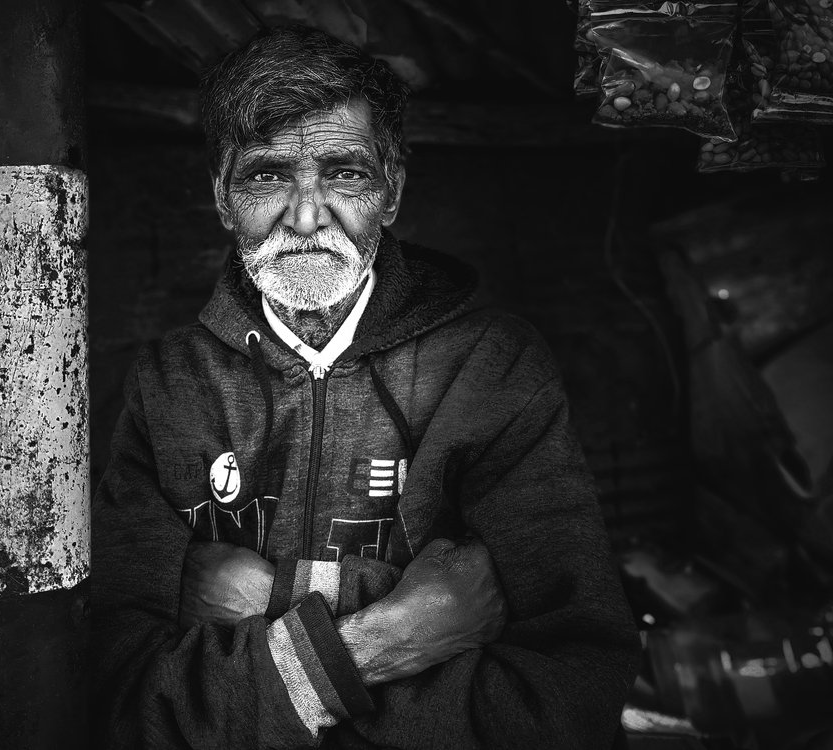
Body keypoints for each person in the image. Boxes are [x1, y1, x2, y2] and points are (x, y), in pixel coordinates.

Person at [91, 24, 640, 750]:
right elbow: (118, 699)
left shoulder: (492, 369)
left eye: (345, 173)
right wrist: (388, 637)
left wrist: (267, 612)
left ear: (392, 192)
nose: (308, 214)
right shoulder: (168, 387)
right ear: (223, 199)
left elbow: (568, 702)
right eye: (268, 175)